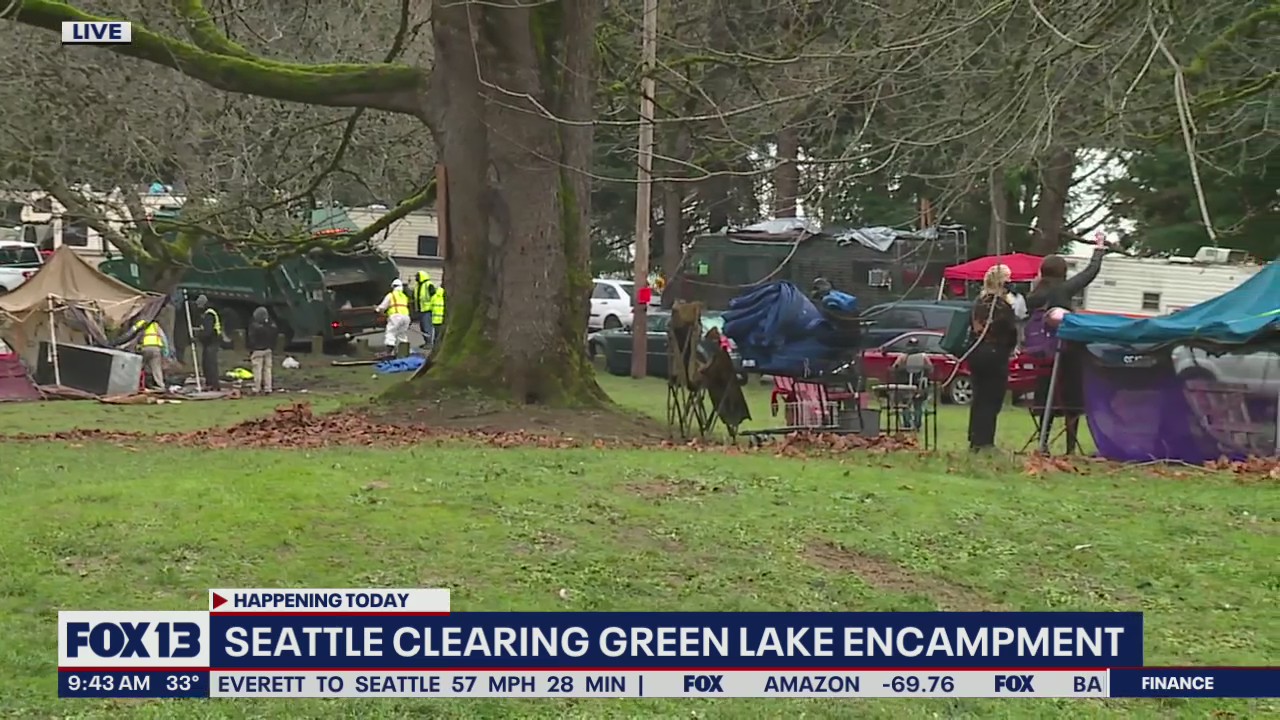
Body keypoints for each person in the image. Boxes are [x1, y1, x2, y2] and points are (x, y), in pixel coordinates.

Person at [1025, 234, 1108, 453]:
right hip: (1066, 353)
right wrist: (1099, 249)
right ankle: (1070, 447)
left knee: (1047, 401)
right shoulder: (1062, 290)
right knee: (1071, 401)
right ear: (1062, 272)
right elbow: (1089, 274)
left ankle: (1043, 443)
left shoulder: (1033, 295)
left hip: (1042, 356)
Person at [966, 264, 1019, 451]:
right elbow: (1009, 331)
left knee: (979, 397)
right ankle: (986, 441)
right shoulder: (1001, 305)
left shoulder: (978, 302)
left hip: (976, 353)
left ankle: (975, 439)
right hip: (995, 354)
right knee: (992, 398)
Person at [891, 337, 933, 430]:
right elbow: (930, 368)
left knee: (906, 404)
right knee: (918, 405)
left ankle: (907, 423)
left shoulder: (902, 357)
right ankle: (917, 423)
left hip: (905, 385)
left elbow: (894, 368)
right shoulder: (924, 356)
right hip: (919, 385)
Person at [375, 278, 411, 355]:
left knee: (390, 332)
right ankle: (404, 351)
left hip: (396, 316)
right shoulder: (404, 296)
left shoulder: (391, 295)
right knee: (402, 334)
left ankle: (389, 351)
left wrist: (377, 310)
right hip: (406, 317)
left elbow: (383, 306)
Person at [247, 306, 278, 394]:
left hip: (257, 350)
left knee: (257, 369)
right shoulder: (272, 326)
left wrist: (251, 348)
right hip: (268, 349)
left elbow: (251, 338)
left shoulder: (254, 326)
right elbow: (275, 336)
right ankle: (268, 387)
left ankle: (257, 388)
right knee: (267, 369)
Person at [194, 295, 222, 390]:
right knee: (206, 363)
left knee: (210, 364)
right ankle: (209, 383)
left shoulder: (209, 315)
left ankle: (213, 384)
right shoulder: (207, 314)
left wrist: (197, 337)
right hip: (209, 343)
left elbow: (208, 331)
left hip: (212, 342)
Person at [132, 317, 167, 390]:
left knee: (139, 367)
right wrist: (165, 348)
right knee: (156, 368)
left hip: (144, 348)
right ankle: (160, 386)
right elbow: (163, 337)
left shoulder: (140, 324)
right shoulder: (155, 325)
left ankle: (133, 385)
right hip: (156, 349)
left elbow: (131, 334)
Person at [414, 271, 436, 346]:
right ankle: (426, 342)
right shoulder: (417, 286)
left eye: (417, 277)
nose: (416, 278)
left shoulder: (428, 284)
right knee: (422, 328)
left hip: (427, 309)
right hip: (420, 309)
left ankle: (429, 343)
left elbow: (433, 296)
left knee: (427, 327)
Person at [429, 283, 445, 350]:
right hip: (443, 319)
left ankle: (435, 346)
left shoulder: (434, 297)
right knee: (442, 334)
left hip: (435, 319)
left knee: (436, 334)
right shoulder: (445, 297)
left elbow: (430, 307)